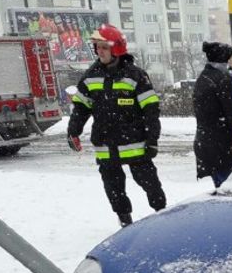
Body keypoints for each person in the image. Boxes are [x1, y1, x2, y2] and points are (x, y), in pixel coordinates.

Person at [67, 24, 165, 228]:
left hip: (136, 144)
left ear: (116, 49)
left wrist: (152, 139)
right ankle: (125, 222)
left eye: (104, 47)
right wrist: (73, 132)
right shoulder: (90, 76)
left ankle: (163, 216)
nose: (99, 51)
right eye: (97, 47)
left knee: (150, 184)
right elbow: (81, 108)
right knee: (114, 188)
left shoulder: (135, 75)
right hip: (105, 145)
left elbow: (151, 110)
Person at [193, 41, 232, 188]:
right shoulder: (222, 80)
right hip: (224, 149)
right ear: (225, 59)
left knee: (225, 190)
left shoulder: (206, 77)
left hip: (211, 147)